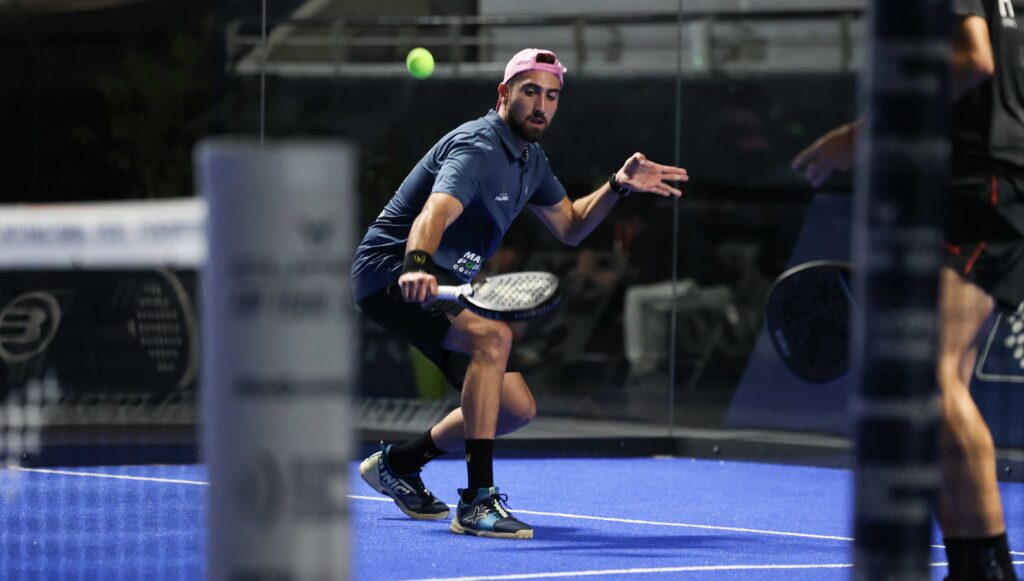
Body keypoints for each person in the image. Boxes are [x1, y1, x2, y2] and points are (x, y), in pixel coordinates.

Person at [351, 48, 688, 539]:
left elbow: (570, 226)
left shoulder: (531, 159)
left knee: (514, 407)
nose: (541, 105)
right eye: (530, 92)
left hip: (445, 282)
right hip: (391, 270)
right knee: (493, 338)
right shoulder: (479, 146)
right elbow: (435, 212)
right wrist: (416, 264)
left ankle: (398, 464)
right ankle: (477, 502)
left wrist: (617, 185)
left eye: (551, 96)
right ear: (504, 94)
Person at [792, 2, 1021, 578]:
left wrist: (859, 136)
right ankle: (971, 564)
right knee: (937, 387)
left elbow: (972, 59)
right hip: (983, 175)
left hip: (979, 180)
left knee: (924, 372)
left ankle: (989, 568)